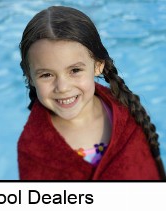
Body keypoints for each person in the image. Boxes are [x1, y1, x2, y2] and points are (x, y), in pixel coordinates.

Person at [17, 6, 166, 180]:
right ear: (30, 77)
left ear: (97, 66)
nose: (63, 87)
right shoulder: (32, 148)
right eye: (46, 74)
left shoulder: (125, 108)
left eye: (74, 70)